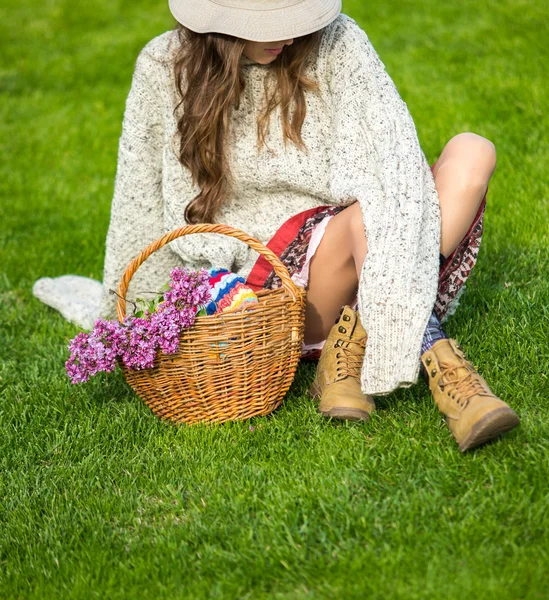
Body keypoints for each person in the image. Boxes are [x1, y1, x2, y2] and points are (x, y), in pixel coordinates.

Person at [37, 0, 520, 452]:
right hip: (273, 285)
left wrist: (384, 222)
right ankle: (451, 378)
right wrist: (134, 317)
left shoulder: (338, 41)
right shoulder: (164, 66)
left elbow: (392, 159)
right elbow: (136, 196)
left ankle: (347, 352)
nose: (287, 38)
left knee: (472, 152)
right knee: (364, 219)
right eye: (270, 24)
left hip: (365, 241)